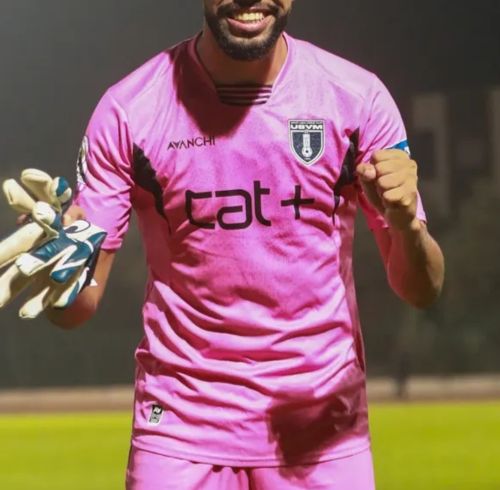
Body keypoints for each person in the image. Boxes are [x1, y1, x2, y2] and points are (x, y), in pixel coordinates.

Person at [47, 1, 445, 488]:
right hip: (179, 430)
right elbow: (76, 307)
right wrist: (54, 274)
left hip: (321, 435)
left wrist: (406, 225)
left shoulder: (357, 99)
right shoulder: (130, 110)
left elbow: (421, 289)